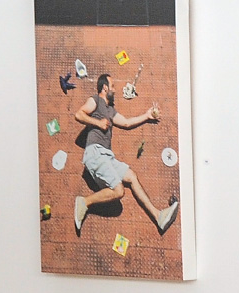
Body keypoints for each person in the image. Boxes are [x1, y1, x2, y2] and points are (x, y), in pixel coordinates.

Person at [72, 73, 178, 235]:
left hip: (106, 156)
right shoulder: (95, 100)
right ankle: (84, 202)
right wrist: (98, 122)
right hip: (95, 153)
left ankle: (158, 217)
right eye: (112, 86)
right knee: (118, 191)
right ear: (105, 87)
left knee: (131, 176)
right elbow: (79, 114)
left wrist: (147, 116)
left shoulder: (110, 110)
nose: (114, 90)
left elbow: (127, 123)